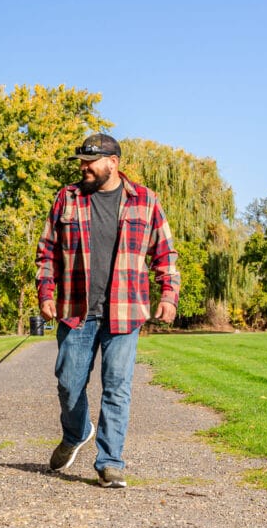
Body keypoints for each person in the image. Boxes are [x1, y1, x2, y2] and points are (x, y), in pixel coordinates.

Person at [36, 133, 180, 488]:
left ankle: (110, 461)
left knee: (117, 387)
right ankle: (76, 432)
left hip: (125, 311)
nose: (84, 168)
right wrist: (45, 292)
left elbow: (165, 253)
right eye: (82, 162)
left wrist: (168, 295)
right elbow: (46, 251)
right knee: (69, 385)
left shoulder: (145, 200)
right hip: (75, 309)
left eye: (90, 162)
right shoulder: (67, 198)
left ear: (112, 163)